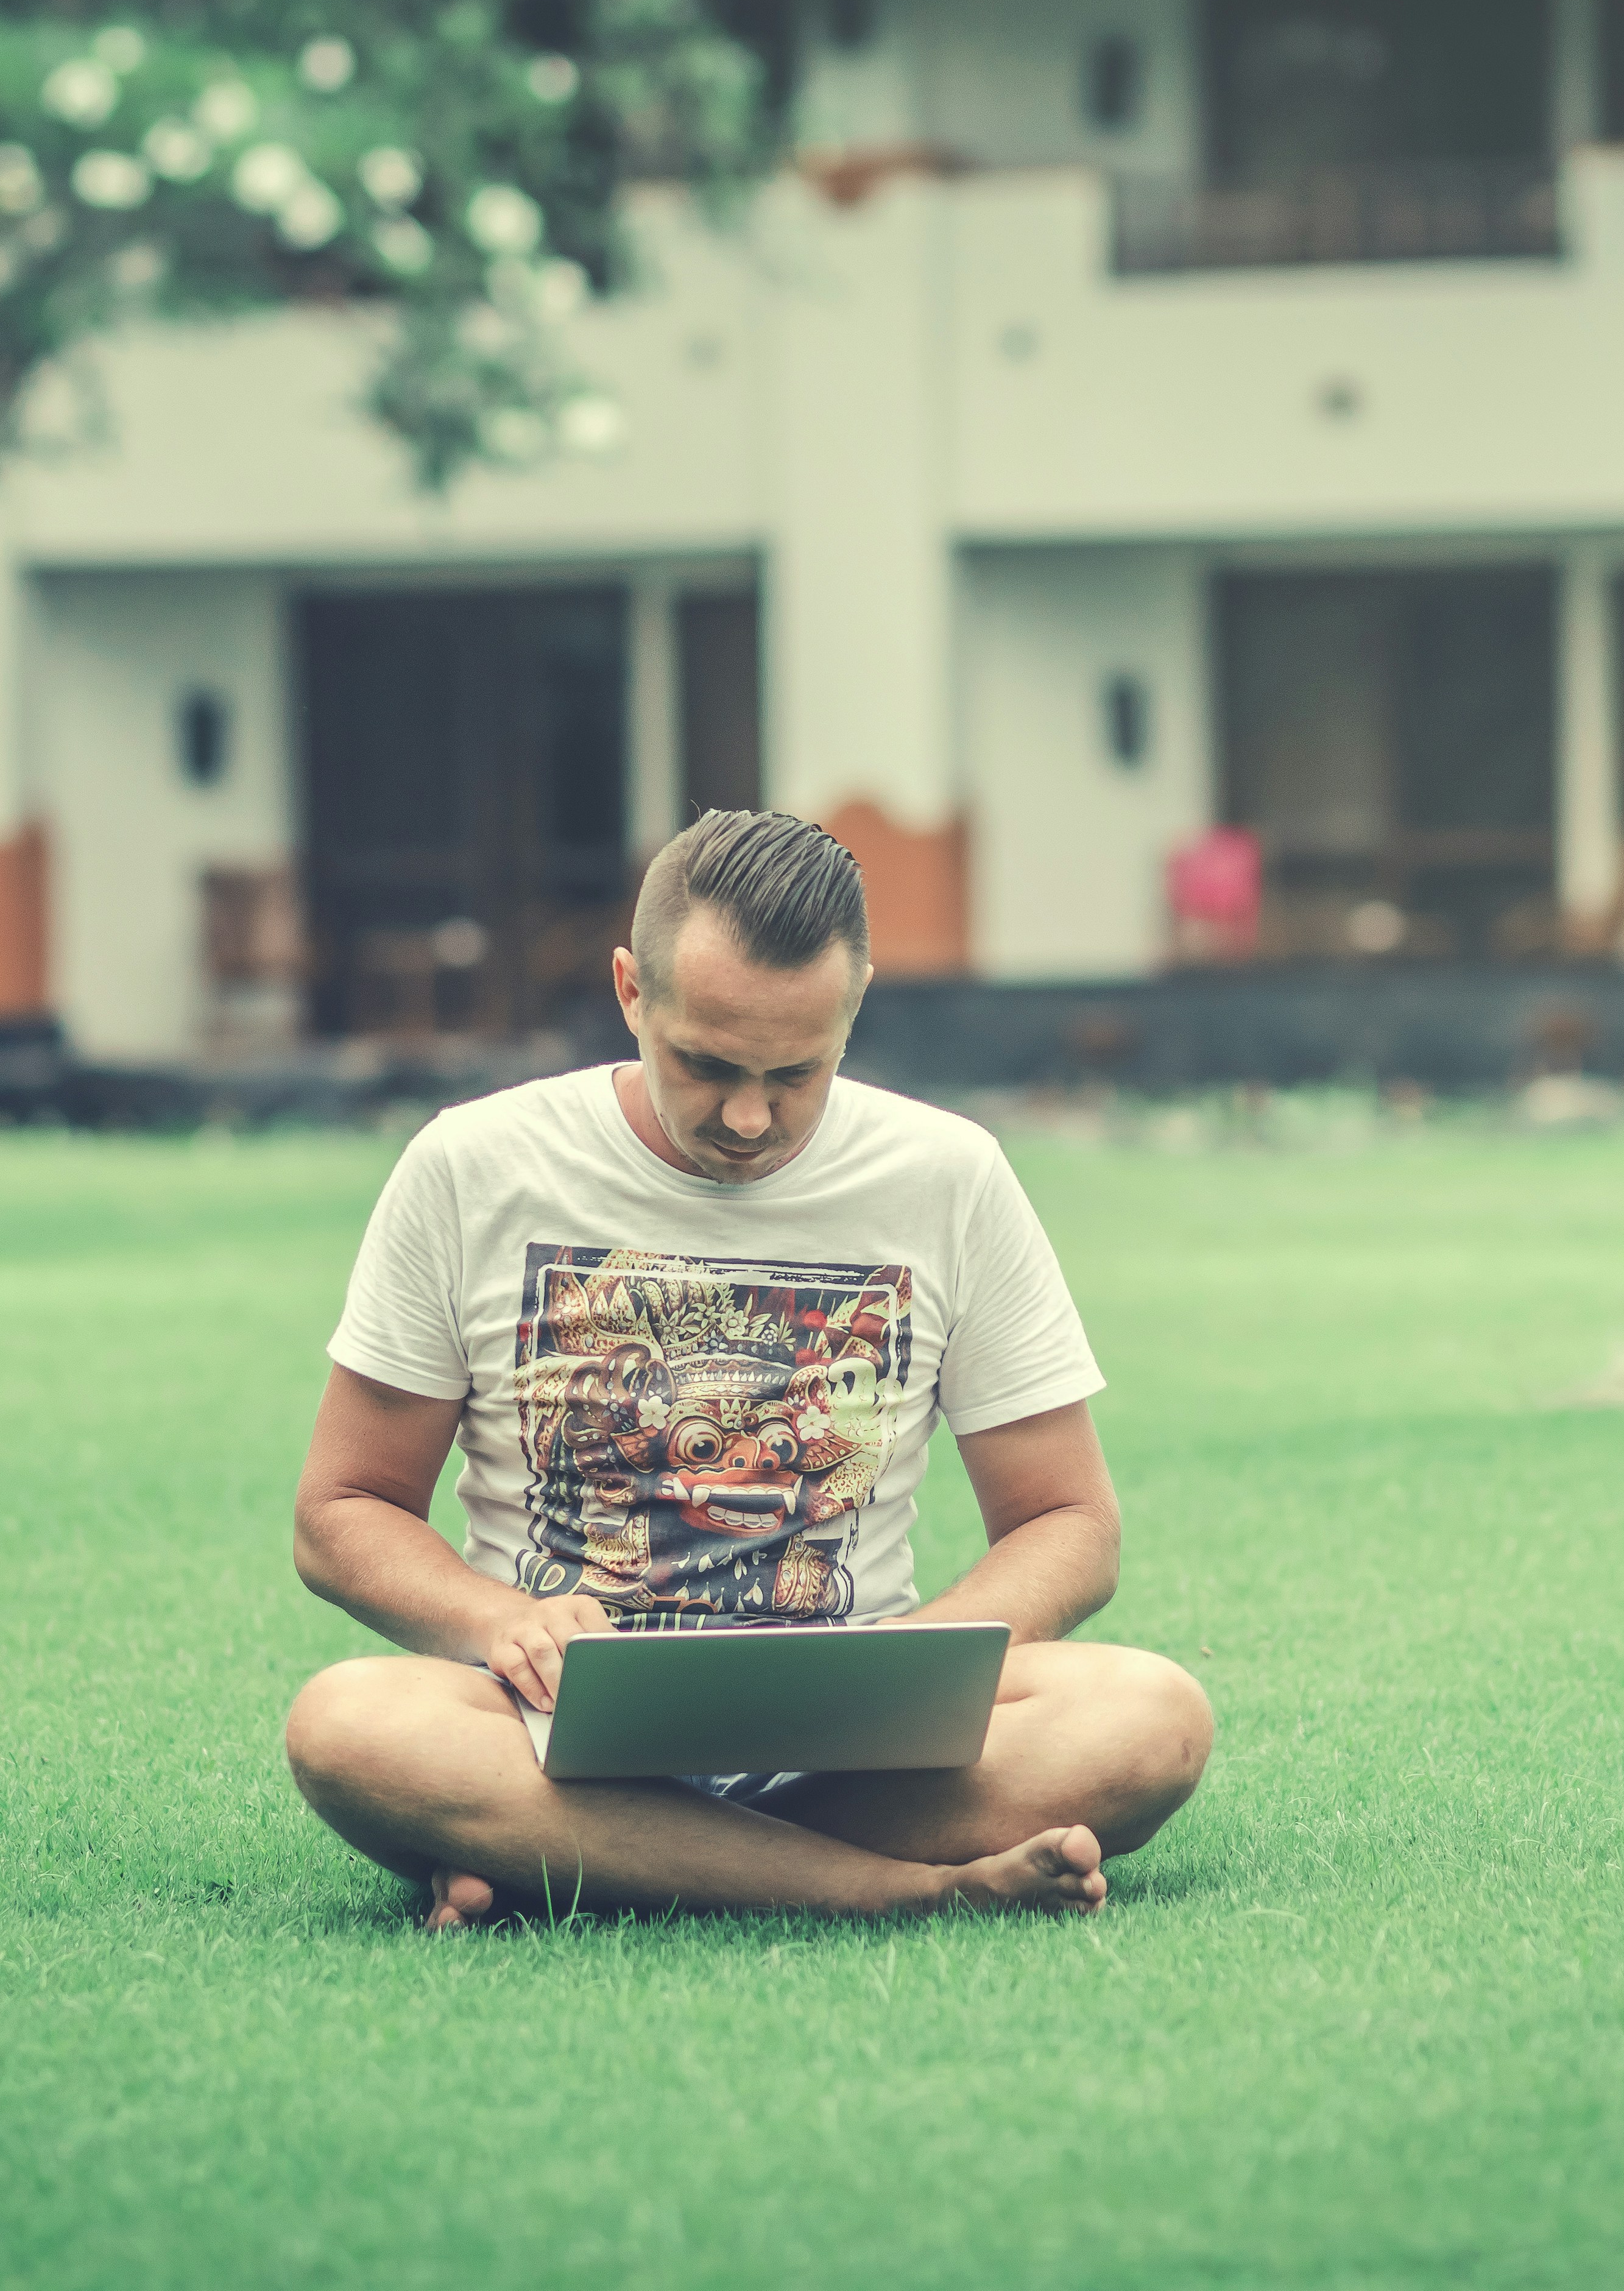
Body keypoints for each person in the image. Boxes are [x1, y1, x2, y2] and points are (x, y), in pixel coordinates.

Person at [281, 810, 1214, 1927]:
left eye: (797, 1073)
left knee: (1152, 1714)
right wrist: (495, 1623)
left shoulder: (950, 1176)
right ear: (631, 991)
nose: (748, 1116)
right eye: (706, 1063)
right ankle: (894, 1893)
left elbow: (1070, 1523)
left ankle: (584, 1866)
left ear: (854, 1009)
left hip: (854, 1747)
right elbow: (343, 1509)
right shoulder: (472, 1166)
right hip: (550, 1731)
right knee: (346, 1727)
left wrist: (906, 1665)